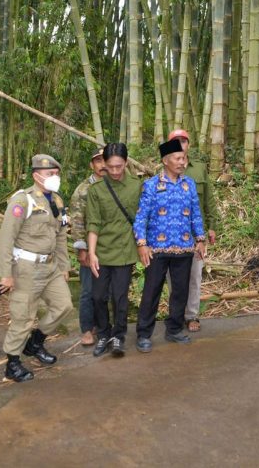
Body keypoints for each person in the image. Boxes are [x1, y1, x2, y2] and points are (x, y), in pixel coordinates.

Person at [0, 154, 73, 382]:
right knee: (23, 316)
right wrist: (5, 274)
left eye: (56, 174)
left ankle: (35, 342)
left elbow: (60, 236)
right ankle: (13, 362)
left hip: (50, 266)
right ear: (36, 175)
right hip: (26, 268)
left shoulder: (56, 201)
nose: (54, 178)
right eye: (50, 174)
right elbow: (6, 237)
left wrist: (64, 265)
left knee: (64, 306)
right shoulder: (22, 201)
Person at [133, 139, 206, 353]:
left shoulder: (189, 184)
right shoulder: (151, 185)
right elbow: (141, 217)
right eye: (178, 158)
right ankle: (144, 333)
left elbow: (195, 214)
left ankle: (174, 329)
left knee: (180, 291)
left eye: (184, 158)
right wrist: (142, 244)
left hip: (184, 247)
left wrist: (200, 239)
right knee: (151, 291)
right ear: (166, 161)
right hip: (157, 249)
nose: (183, 162)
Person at [86, 143, 142, 357]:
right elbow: (93, 223)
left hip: (125, 251)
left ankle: (118, 335)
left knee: (120, 297)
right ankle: (103, 335)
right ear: (104, 166)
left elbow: (142, 218)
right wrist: (91, 253)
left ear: (126, 163)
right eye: (111, 167)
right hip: (102, 251)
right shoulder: (96, 190)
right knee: (98, 297)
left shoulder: (136, 186)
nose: (116, 171)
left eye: (119, 166)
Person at [166, 129, 218, 333]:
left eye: (183, 141)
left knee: (195, 276)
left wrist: (212, 226)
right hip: (170, 236)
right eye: (175, 142)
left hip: (196, 235)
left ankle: (192, 315)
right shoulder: (163, 171)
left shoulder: (199, 170)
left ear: (189, 144)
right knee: (174, 277)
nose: (180, 145)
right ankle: (176, 314)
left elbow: (209, 200)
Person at [70, 148, 106, 346]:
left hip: (110, 248)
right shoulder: (83, 190)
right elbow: (76, 221)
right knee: (88, 291)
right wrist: (82, 249)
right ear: (92, 165)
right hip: (89, 249)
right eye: (97, 161)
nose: (102, 165)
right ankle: (86, 329)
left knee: (106, 291)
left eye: (104, 160)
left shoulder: (114, 184)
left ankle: (103, 327)